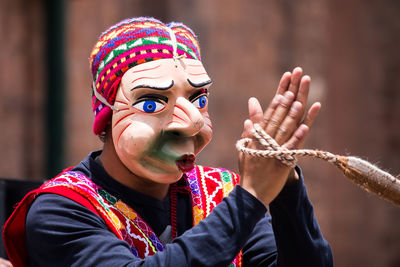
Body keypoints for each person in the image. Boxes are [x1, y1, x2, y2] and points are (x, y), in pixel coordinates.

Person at [3, 17, 333, 266]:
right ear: (107, 115)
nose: (191, 123)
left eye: (198, 99)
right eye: (152, 103)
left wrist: (284, 185)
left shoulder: (223, 192)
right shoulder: (61, 210)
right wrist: (250, 197)